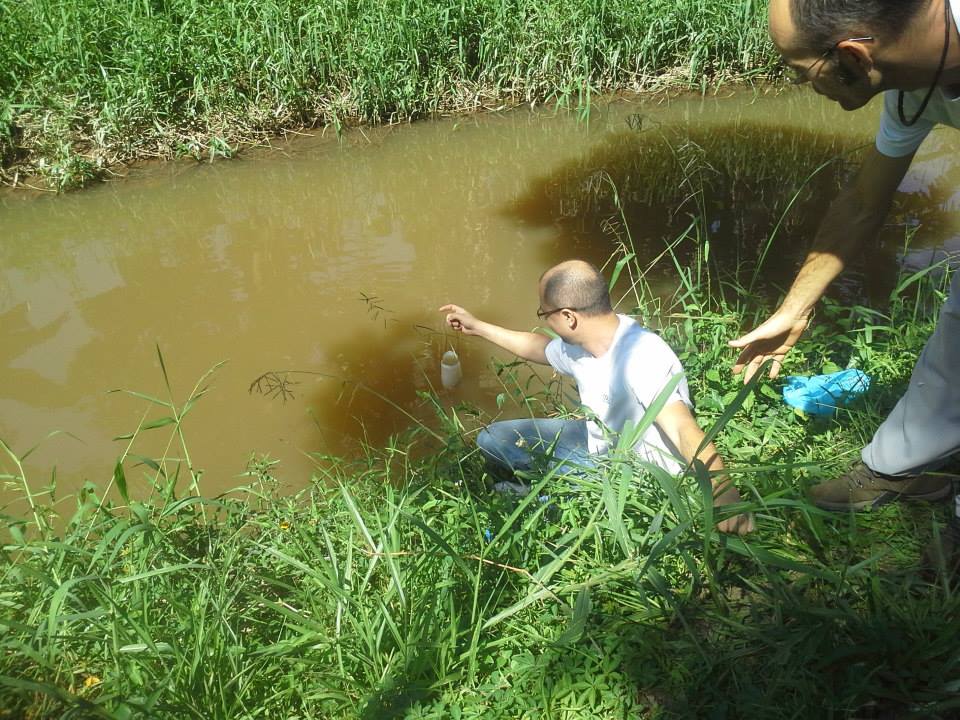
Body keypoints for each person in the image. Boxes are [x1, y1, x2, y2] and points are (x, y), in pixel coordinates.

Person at [729, 0, 959, 563]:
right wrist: (794, 311)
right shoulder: (912, 87)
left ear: (853, 57)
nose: (802, 86)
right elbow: (862, 201)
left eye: (799, 72)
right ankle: (899, 468)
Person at [441, 259, 754, 535]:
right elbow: (538, 348)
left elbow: (683, 427)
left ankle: (549, 500)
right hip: (600, 446)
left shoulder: (642, 356)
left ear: (568, 317)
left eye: (544, 313)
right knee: (492, 439)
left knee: (538, 501)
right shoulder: (584, 343)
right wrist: (478, 327)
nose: (544, 320)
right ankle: (541, 491)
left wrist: (724, 493)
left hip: (635, 474)